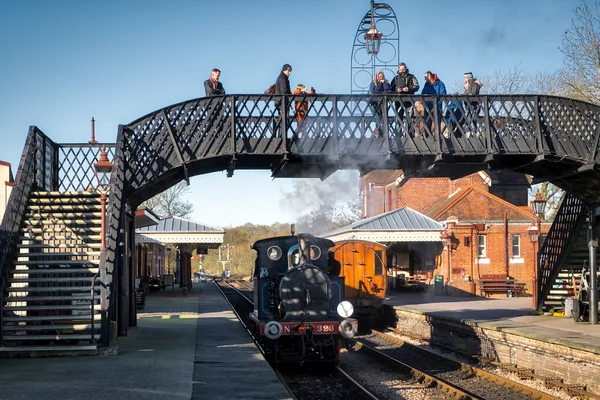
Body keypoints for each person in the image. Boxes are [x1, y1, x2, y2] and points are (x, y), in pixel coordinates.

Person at [390, 63, 420, 135]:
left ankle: (410, 136)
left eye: (403, 69)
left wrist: (408, 89)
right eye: (400, 69)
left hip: (409, 101)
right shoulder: (395, 78)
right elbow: (390, 89)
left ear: (406, 68)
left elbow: (416, 86)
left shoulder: (412, 77)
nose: (402, 71)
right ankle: (398, 136)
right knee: (398, 119)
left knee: (409, 118)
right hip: (398, 101)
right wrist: (396, 90)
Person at [421, 71, 447, 137]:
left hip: (437, 107)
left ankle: (437, 139)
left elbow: (443, 95)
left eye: (425, 77)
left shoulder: (440, 84)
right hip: (427, 108)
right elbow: (422, 94)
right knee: (427, 124)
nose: (425, 78)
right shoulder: (426, 84)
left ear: (430, 76)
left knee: (437, 125)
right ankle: (427, 140)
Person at [370, 70, 391, 137]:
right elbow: (375, 91)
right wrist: (380, 84)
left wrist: (384, 83)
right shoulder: (373, 83)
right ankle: (378, 134)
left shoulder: (386, 82)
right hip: (375, 103)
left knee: (385, 119)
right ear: (377, 77)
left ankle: (385, 135)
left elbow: (389, 91)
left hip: (383, 103)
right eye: (379, 77)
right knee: (378, 118)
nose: (381, 78)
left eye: (382, 76)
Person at [463, 72, 483, 137]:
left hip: (475, 105)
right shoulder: (466, 85)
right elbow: (465, 94)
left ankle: (474, 131)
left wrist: (468, 90)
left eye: (465, 78)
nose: (464, 79)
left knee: (474, 118)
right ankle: (469, 131)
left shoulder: (475, 84)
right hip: (468, 104)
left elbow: (473, 93)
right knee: (468, 116)